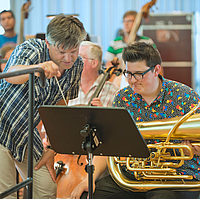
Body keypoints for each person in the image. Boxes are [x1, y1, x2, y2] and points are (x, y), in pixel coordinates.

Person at [70, 42, 200, 199]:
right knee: (87, 196)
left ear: (156, 69)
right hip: (131, 177)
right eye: (128, 74)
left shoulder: (185, 96)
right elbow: (110, 144)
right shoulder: (123, 98)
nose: (132, 81)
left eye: (138, 74)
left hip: (175, 177)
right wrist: (89, 180)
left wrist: (195, 150)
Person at [0, 13, 87, 199]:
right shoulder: (32, 48)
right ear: (48, 43)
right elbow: (10, 75)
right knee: (7, 193)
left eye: (74, 51)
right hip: (2, 126)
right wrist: (38, 67)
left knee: (47, 188)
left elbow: (60, 109)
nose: (68, 58)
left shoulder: (77, 65)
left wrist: (52, 148)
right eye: (62, 51)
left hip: (27, 134)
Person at [68, 41, 119, 107]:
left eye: (80, 57)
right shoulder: (68, 88)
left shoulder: (114, 92)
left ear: (94, 63)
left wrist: (104, 113)